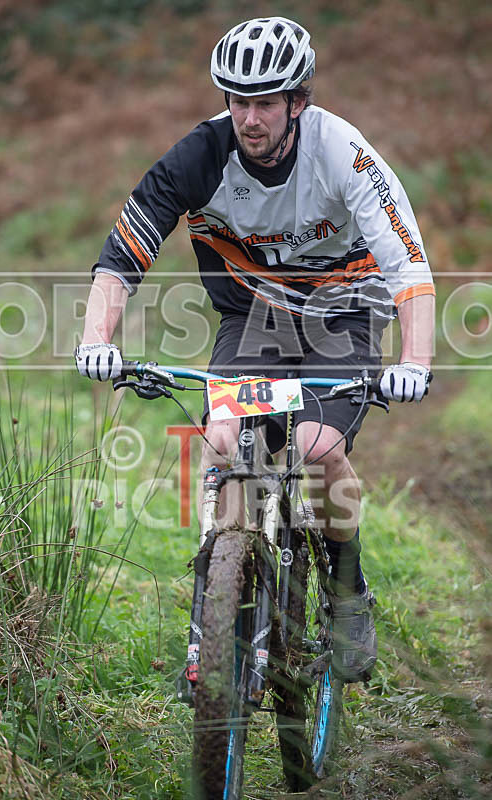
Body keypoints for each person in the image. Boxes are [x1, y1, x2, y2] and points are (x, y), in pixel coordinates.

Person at [75, 17, 435, 682]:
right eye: (237, 100)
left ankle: (348, 592)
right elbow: (121, 255)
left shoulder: (343, 152)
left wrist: (413, 363)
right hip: (253, 319)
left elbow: (409, 268)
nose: (249, 117)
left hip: (344, 311)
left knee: (317, 449)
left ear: (298, 101)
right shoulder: (200, 156)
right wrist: (97, 341)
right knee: (221, 437)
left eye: (265, 101)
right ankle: (224, 585)